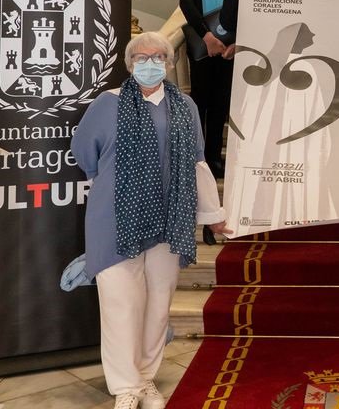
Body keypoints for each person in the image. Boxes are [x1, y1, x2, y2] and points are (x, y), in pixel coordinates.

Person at [71, 31, 228, 409]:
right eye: (141, 58)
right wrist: (121, 187)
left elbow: (197, 162)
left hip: (170, 217)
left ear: (170, 63)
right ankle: (125, 387)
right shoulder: (106, 104)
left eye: (158, 57)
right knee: (120, 303)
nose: (150, 63)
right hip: (114, 219)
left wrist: (213, 216)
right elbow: (84, 153)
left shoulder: (185, 106)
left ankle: (145, 378)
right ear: (129, 64)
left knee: (158, 302)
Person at [177, 0, 239, 180]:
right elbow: (186, 2)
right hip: (204, 43)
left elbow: (246, 5)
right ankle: (197, 157)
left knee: (221, 103)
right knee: (200, 100)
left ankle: (214, 156)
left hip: (230, 47)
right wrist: (208, 36)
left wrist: (235, 41)